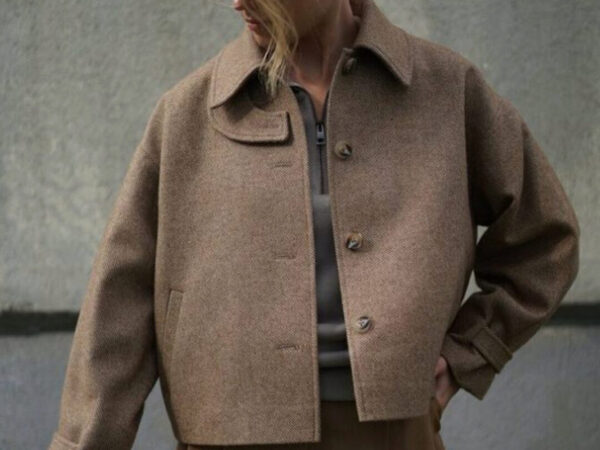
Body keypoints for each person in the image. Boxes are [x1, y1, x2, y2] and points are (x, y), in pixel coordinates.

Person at [48, 0, 580, 449]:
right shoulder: (187, 115)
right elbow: (119, 305)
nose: (237, 2)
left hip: (394, 435)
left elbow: (544, 241)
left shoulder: (446, 91)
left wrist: (470, 352)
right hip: (226, 434)